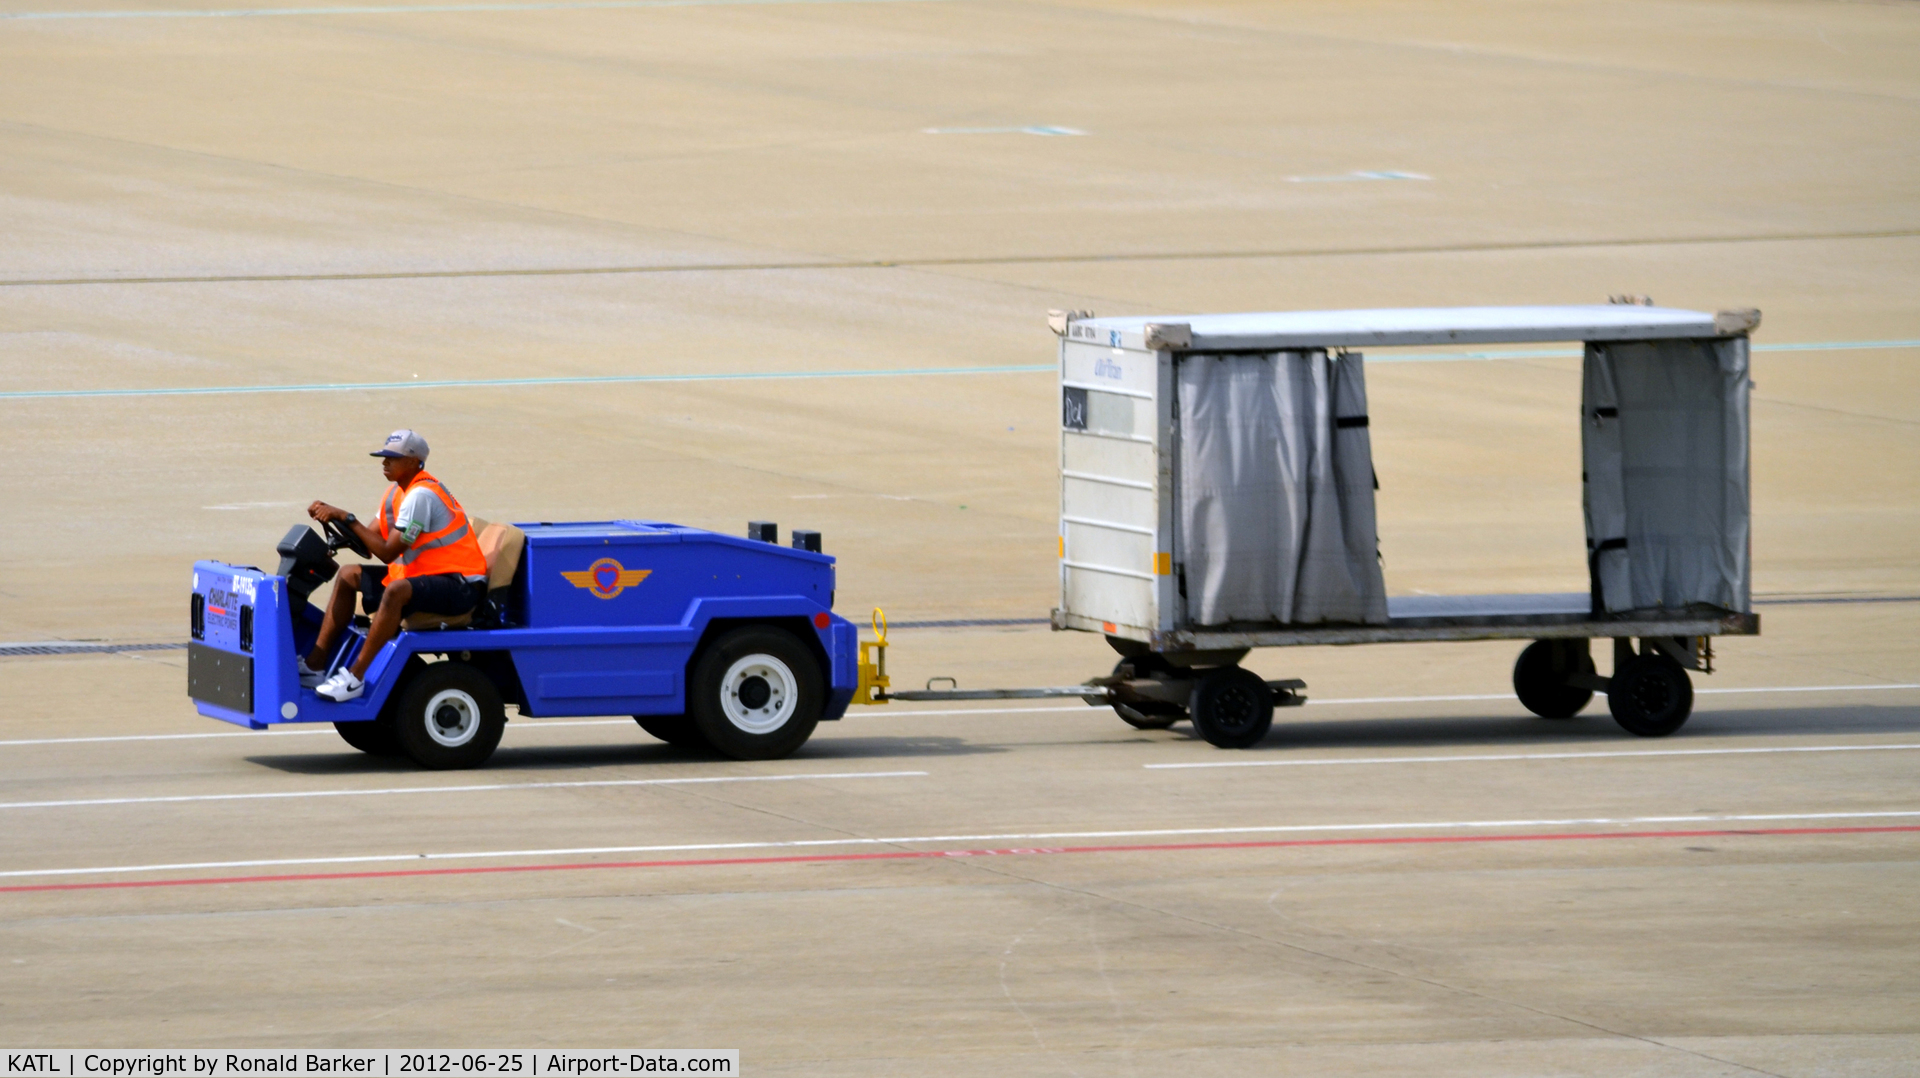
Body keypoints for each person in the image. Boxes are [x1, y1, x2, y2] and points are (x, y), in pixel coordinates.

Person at [301, 430, 489, 702]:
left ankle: (355, 678)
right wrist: (337, 525)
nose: (384, 463)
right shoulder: (396, 494)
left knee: (396, 591)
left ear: (414, 462)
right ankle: (314, 666)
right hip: (426, 578)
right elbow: (368, 543)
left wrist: (346, 516)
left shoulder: (421, 496)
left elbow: (388, 553)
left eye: (392, 458)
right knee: (348, 574)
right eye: (383, 457)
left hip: (460, 586)